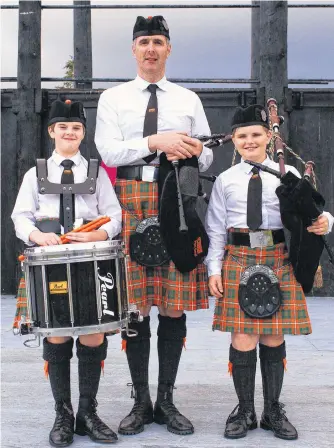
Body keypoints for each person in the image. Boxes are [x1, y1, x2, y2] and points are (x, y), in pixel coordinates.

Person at [95, 15, 213, 436]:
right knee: (136, 304)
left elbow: (210, 155)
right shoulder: (113, 98)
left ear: (168, 49)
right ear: (133, 49)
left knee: (173, 301)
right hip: (129, 200)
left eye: (158, 42)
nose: (150, 49)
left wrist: (197, 148)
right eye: (144, 41)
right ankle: (141, 403)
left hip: (176, 199)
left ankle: (166, 400)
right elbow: (107, 150)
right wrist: (154, 142)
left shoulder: (187, 98)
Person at [205, 104, 334, 440]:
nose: (250, 141)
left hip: (277, 256)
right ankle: (245, 410)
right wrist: (213, 270)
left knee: (273, 335)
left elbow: (315, 209)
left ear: (269, 136)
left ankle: (272, 409)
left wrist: (326, 221)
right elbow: (216, 228)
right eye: (242, 135)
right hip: (239, 255)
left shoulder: (288, 173)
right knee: (243, 337)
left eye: (256, 134)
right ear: (233, 140)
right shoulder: (225, 180)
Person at [11, 100, 122, 447]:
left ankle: (88, 413)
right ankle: (63, 413)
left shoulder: (96, 171)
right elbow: (20, 217)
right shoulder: (37, 172)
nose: (69, 133)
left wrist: (99, 234)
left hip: (91, 262)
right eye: (63, 127)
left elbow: (115, 215)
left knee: (92, 335)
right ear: (52, 132)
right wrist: (36, 235)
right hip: (50, 264)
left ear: (83, 133)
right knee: (57, 335)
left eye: (76, 128)